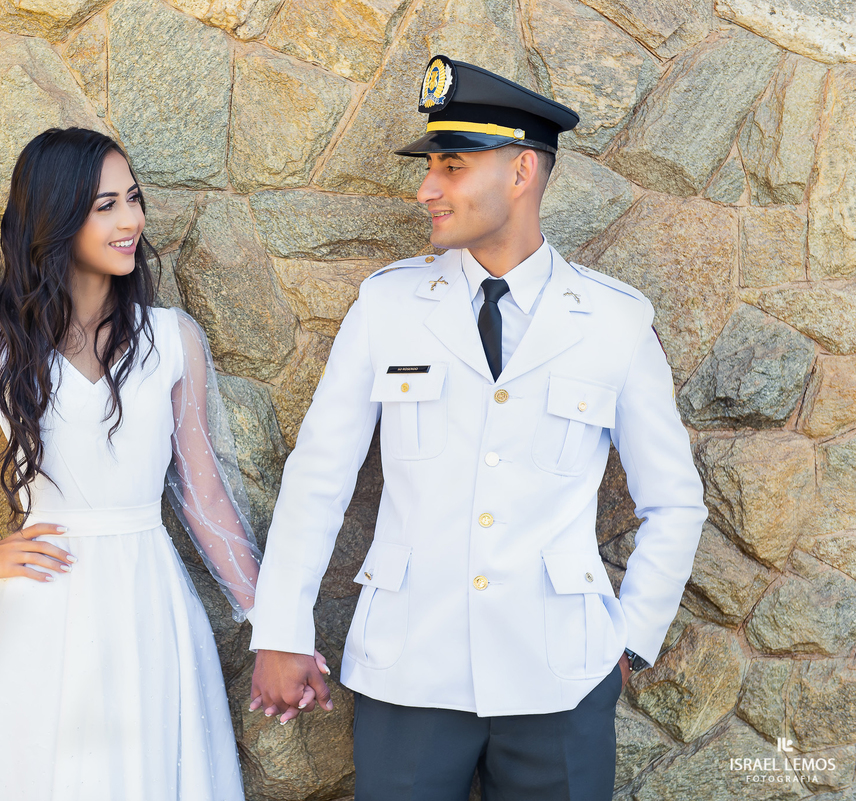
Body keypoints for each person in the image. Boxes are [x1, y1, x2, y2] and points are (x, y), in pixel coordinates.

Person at [247, 57, 708, 800]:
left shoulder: (614, 322)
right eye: (431, 166)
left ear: (522, 170)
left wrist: (625, 645)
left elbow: (676, 502)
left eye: (452, 166)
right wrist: (280, 628)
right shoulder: (388, 306)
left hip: (560, 680)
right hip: (410, 673)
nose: (427, 188)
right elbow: (317, 477)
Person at [0, 127, 323, 800]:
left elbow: (205, 499)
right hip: (41, 601)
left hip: (148, 599)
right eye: (107, 205)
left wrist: (272, 625)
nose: (132, 219)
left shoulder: (172, 339)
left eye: (133, 198)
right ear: (56, 216)